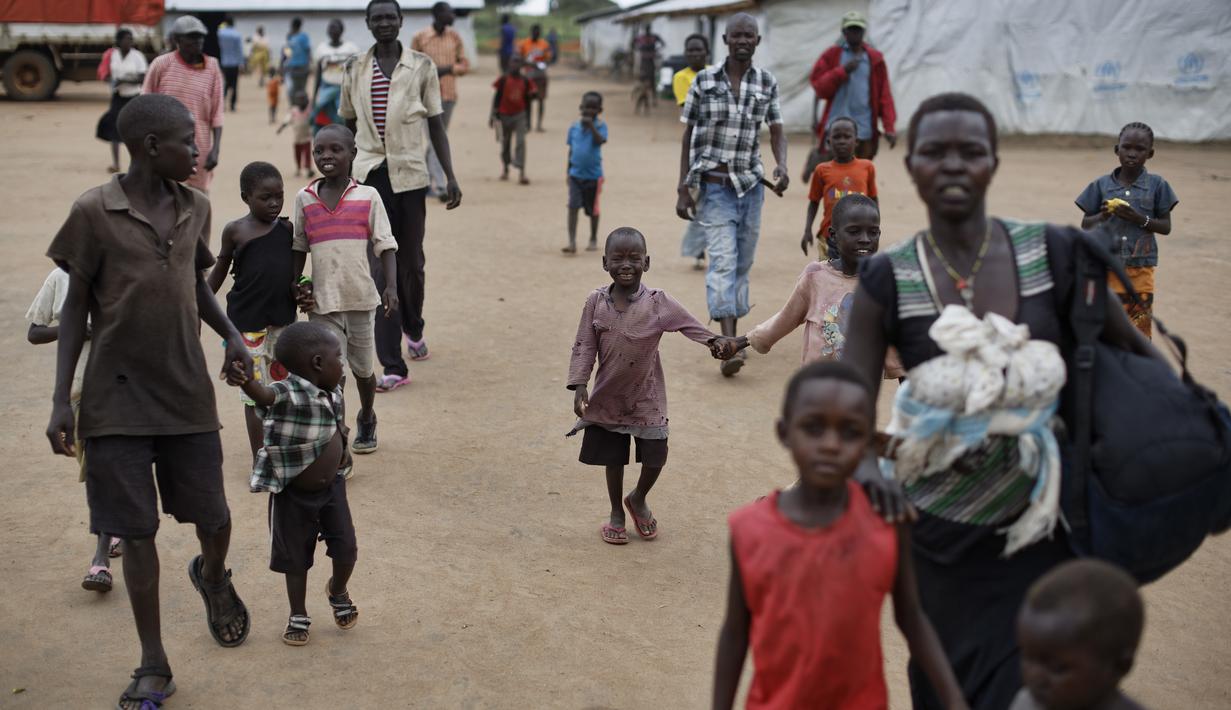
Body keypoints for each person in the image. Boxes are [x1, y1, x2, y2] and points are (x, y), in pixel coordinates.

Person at [842, 92, 1166, 710]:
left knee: (1041, 681)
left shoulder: (1055, 252)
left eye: (971, 151)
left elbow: (1141, 362)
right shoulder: (888, 278)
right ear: (911, 165)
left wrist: (1140, 448)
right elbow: (847, 406)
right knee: (945, 680)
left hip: (1045, 527)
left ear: (994, 161)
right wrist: (868, 471)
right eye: (935, 151)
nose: (953, 164)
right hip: (938, 535)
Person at [45, 93, 254, 710]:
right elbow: (74, 307)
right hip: (114, 400)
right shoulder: (93, 211)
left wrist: (232, 335)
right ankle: (153, 661)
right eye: (189, 141)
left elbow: (195, 283)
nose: (199, 152)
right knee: (136, 532)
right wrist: (61, 400)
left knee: (214, 517)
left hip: (186, 391)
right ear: (151, 147)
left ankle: (212, 575)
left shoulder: (197, 207)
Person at [712, 361, 968, 710]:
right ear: (785, 433)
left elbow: (912, 617)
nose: (831, 444)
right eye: (813, 428)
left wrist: (954, 698)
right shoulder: (750, 529)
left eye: (850, 432)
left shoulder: (886, 525)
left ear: (868, 443)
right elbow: (735, 632)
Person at [568, 228, 730, 545]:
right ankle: (616, 512)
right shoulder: (596, 302)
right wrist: (579, 385)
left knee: (656, 455)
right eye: (617, 258)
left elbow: (689, 324)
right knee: (614, 458)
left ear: (647, 262)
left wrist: (715, 341)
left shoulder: (657, 302)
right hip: (609, 395)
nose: (626, 265)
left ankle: (638, 497)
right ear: (605, 263)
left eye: (634, 258)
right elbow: (584, 344)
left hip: (647, 396)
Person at [340, 0, 463, 389]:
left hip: (410, 176)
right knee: (380, 267)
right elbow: (346, 125)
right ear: (367, 23)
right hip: (369, 176)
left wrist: (450, 175)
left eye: (390, 17)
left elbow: (436, 125)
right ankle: (393, 365)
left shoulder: (422, 66)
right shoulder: (354, 68)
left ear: (401, 21)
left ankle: (414, 325)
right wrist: (339, 177)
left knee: (411, 264)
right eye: (376, 18)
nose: (384, 23)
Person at [232, 321, 360, 647]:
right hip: (293, 494)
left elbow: (338, 424)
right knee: (295, 559)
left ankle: (337, 589)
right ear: (318, 363)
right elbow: (263, 395)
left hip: (332, 490)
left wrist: (344, 449)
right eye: (338, 357)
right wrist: (246, 381)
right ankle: (298, 614)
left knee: (346, 548)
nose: (342, 363)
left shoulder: (334, 389)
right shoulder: (286, 391)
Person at [676, 13, 789, 378]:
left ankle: (735, 339)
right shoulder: (704, 80)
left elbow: (777, 129)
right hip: (714, 187)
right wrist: (682, 188)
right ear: (725, 39)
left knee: (742, 263)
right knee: (723, 262)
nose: (743, 40)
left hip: (751, 188)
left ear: (757, 41)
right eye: (736, 35)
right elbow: (688, 134)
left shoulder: (766, 82)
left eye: (749, 36)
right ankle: (727, 346)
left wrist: (782, 165)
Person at [292, 124, 399, 452]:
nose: (326, 156)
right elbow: (298, 247)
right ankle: (336, 429)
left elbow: (385, 244)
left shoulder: (368, 196)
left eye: (335, 149)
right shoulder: (304, 198)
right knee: (330, 373)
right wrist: (296, 284)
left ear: (353, 153)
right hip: (322, 303)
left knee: (363, 370)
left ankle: (367, 415)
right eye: (319, 150)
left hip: (361, 299)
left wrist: (391, 286)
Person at [725, 194, 902, 378]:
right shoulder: (816, 277)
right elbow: (785, 319)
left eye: (873, 232)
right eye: (854, 231)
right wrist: (741, 342)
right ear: (833, 235)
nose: (865, 239)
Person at [27, 268, 124, 593]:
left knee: (104, 470)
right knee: (98, 472)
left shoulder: (123, 270)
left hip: (122, 390)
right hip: (80, 393)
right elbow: (34, 333)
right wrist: (73, 329)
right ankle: (115, 528)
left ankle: (100, 560)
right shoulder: (59, 278)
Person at [207, 161, 298, 461]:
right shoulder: (235, 231)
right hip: (247, 329)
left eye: (279, 196)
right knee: (253, 395)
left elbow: (294, 275)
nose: (274, 203)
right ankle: (260, 458)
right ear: (246, 197)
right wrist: (196, 304)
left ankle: (281, 449)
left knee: (282, 389)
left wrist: (303, 288)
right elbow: (219, 272)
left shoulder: (286, 229)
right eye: (265, 197)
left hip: (283, 325)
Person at [1075, 122, 1177, 339]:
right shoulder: (1101, 185)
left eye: (1140, 149)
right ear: (1117, 150)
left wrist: (1138, 218)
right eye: (1126, 147)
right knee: (1106, 329)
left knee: (1140, 330)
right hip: (1106, 268)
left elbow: (1165, 227)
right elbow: (1086, 224)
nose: (1132, 154)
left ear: (1150, 154)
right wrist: (1102, 216)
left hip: (1141, 270)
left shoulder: (1158, 185)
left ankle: (1138, 359)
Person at [1010, 559, 1147, 710]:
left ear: (1121, 666)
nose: (1034, 677)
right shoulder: (1025, 702)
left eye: (1057, 668)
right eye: (1028, 657)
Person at [142, 15, 224, 193]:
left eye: (200, 36)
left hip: (199, 146)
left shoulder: (212, 67)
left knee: (198, 197)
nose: (198, 41)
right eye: (192, 37)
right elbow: (145, 103)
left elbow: (217, 113)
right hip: (166, 145)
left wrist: (215, 149)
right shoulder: (161, 64)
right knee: (164, 195)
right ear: (177, 39)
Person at [810, 11, 897, 160]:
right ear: (844, 32)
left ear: (863, 32)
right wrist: (842, 71)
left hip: (864, 130)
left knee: (861, 171)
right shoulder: (832, 55)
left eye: (858, 29)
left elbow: (885, 96)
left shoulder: (875, 59)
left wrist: (889, 127)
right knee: (832, 171)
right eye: (851, 29)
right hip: (835, 130)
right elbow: (819, 88)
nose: (854, 33)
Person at [412, 2, 470, 200]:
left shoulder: (455, 37)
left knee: (437, 139)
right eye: (449, 12)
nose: (453, 15)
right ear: (437, 14)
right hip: (424, 98)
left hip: (449, 95)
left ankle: (426, 182)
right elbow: (412, 68)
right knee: (434, 139)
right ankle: (439, 186)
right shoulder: (420, 37)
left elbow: (464, 65)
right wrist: (446, 69)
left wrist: (444, 69)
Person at [802, 115, 877, 258]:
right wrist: (807, 230)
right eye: (837, 137)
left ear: (856, 141)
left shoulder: (867, 167)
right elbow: (814, 202)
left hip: (860, 239)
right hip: (829, 236)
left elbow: (873, 200)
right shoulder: (821, 170)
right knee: (827, 271)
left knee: (858, 272)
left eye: (847, 137)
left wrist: (873, 229)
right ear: (828, 142)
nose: (842, 141)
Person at [673, 34, 709, 271]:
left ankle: (709, 247)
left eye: (699, 50)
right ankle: (698, 248)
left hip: (720, 143)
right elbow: (689, 110)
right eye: (691, 50)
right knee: (697, 197)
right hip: (696, 143)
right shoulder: (681, 77)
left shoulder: (716, 72)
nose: (695, 54)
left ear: (707, 52)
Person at [96, 28, 147, 174]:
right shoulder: (113, 55)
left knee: (136, 131)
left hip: (134, 97)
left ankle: (138, 164)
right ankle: (116, 164)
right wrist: (110, 80)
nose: (130, 41)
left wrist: (124, 80)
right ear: (118, 41)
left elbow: (143, 78)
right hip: (118, 96)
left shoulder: (137, 56)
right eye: (126, 39)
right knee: (114, 127)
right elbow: (106, 74)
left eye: (131, 39)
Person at [563, 91, 607, 254]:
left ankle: (593, 237)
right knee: (572, 206)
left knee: (592, 210)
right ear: (581, 108)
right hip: (575, 175)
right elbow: (571, 150)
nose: (589, 111)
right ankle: (572, 241)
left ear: (599, 110)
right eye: (586, 107)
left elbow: (600, 141)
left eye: (593, 108)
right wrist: (568, 172)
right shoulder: (574, 127)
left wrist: (592, 127)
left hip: (593, 176)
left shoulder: (601, 126)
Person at [491, 54, 536, 186]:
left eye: (517, 62)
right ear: (509, 64)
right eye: (513, 62)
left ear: (521, 65)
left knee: (521, 142)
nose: (515, 65)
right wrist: (492, 116)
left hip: (520, 115)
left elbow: (529, 101)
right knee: (505, 143)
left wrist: (528, 120)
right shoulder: (503, 79)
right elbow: (496, 98)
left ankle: (522, 172)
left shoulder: (526, 81)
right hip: (504, 115)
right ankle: (505, 168)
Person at [313, 19, 359, 135]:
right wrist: (314, 96)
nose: (333, 31)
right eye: (330, 28)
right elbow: (318, 73)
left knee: (343, 116)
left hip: (345, 88)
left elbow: (356, 71)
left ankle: (343, 136)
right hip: (326, 87)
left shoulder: (351, 48)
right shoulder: (321, 49)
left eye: (335, 28)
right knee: (320, 113)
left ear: (341, 30)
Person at [517, 24, 552, 132]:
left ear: (540, 33)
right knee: (528, 100)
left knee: (541, 100)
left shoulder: (544, 44)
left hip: (541, 76)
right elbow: (519, 58)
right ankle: (528, 124)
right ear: (531, 32)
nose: (536, 34)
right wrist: (529, 64)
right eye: (534, 32)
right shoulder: (524, 44)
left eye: (538, 33)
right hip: (528, 76)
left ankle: (539, 125)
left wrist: (541, 63)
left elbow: (548, 59)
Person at [278, 91, 314, 177]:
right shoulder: (294, 111)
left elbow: (314, 119)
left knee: (307, 154)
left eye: (303, 99)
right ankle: (298, 169)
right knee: (297, 154)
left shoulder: (309, 110)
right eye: (299, 100)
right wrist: (281, 127)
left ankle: (308, 169)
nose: (301, 102)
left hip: (307, 137)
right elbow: (287, 120)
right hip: (297, 138)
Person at [633, 25, 664, 114]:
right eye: (646, 29)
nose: (647, 30)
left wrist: (656, 50)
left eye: (648, 29)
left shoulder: (653, 37)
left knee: (652, 81)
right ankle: (650, 101)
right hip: (645, 62)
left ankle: (653, 99)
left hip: (650, 62)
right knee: (646, 80)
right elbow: (633, 43)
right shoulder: (642, 38)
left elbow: (663, 43)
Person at [217, 17, 244, 112]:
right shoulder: (237, 34)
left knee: (225, 83)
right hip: (234, 63)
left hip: (224, 62)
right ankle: (232, 105)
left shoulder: (220, 33)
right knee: (234, 84)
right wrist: (241, 63)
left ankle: (222, 103)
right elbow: (239, 50)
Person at [285, 17, 312, 99]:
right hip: (294, 66)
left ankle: (301, 104)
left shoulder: (303, 36)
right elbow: (287, 52)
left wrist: (309, 64)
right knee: (294, 88)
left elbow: (308, 50)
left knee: (300, 88)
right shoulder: (290, 36)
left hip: (301, 66)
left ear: (293, 25)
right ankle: (296, 103)